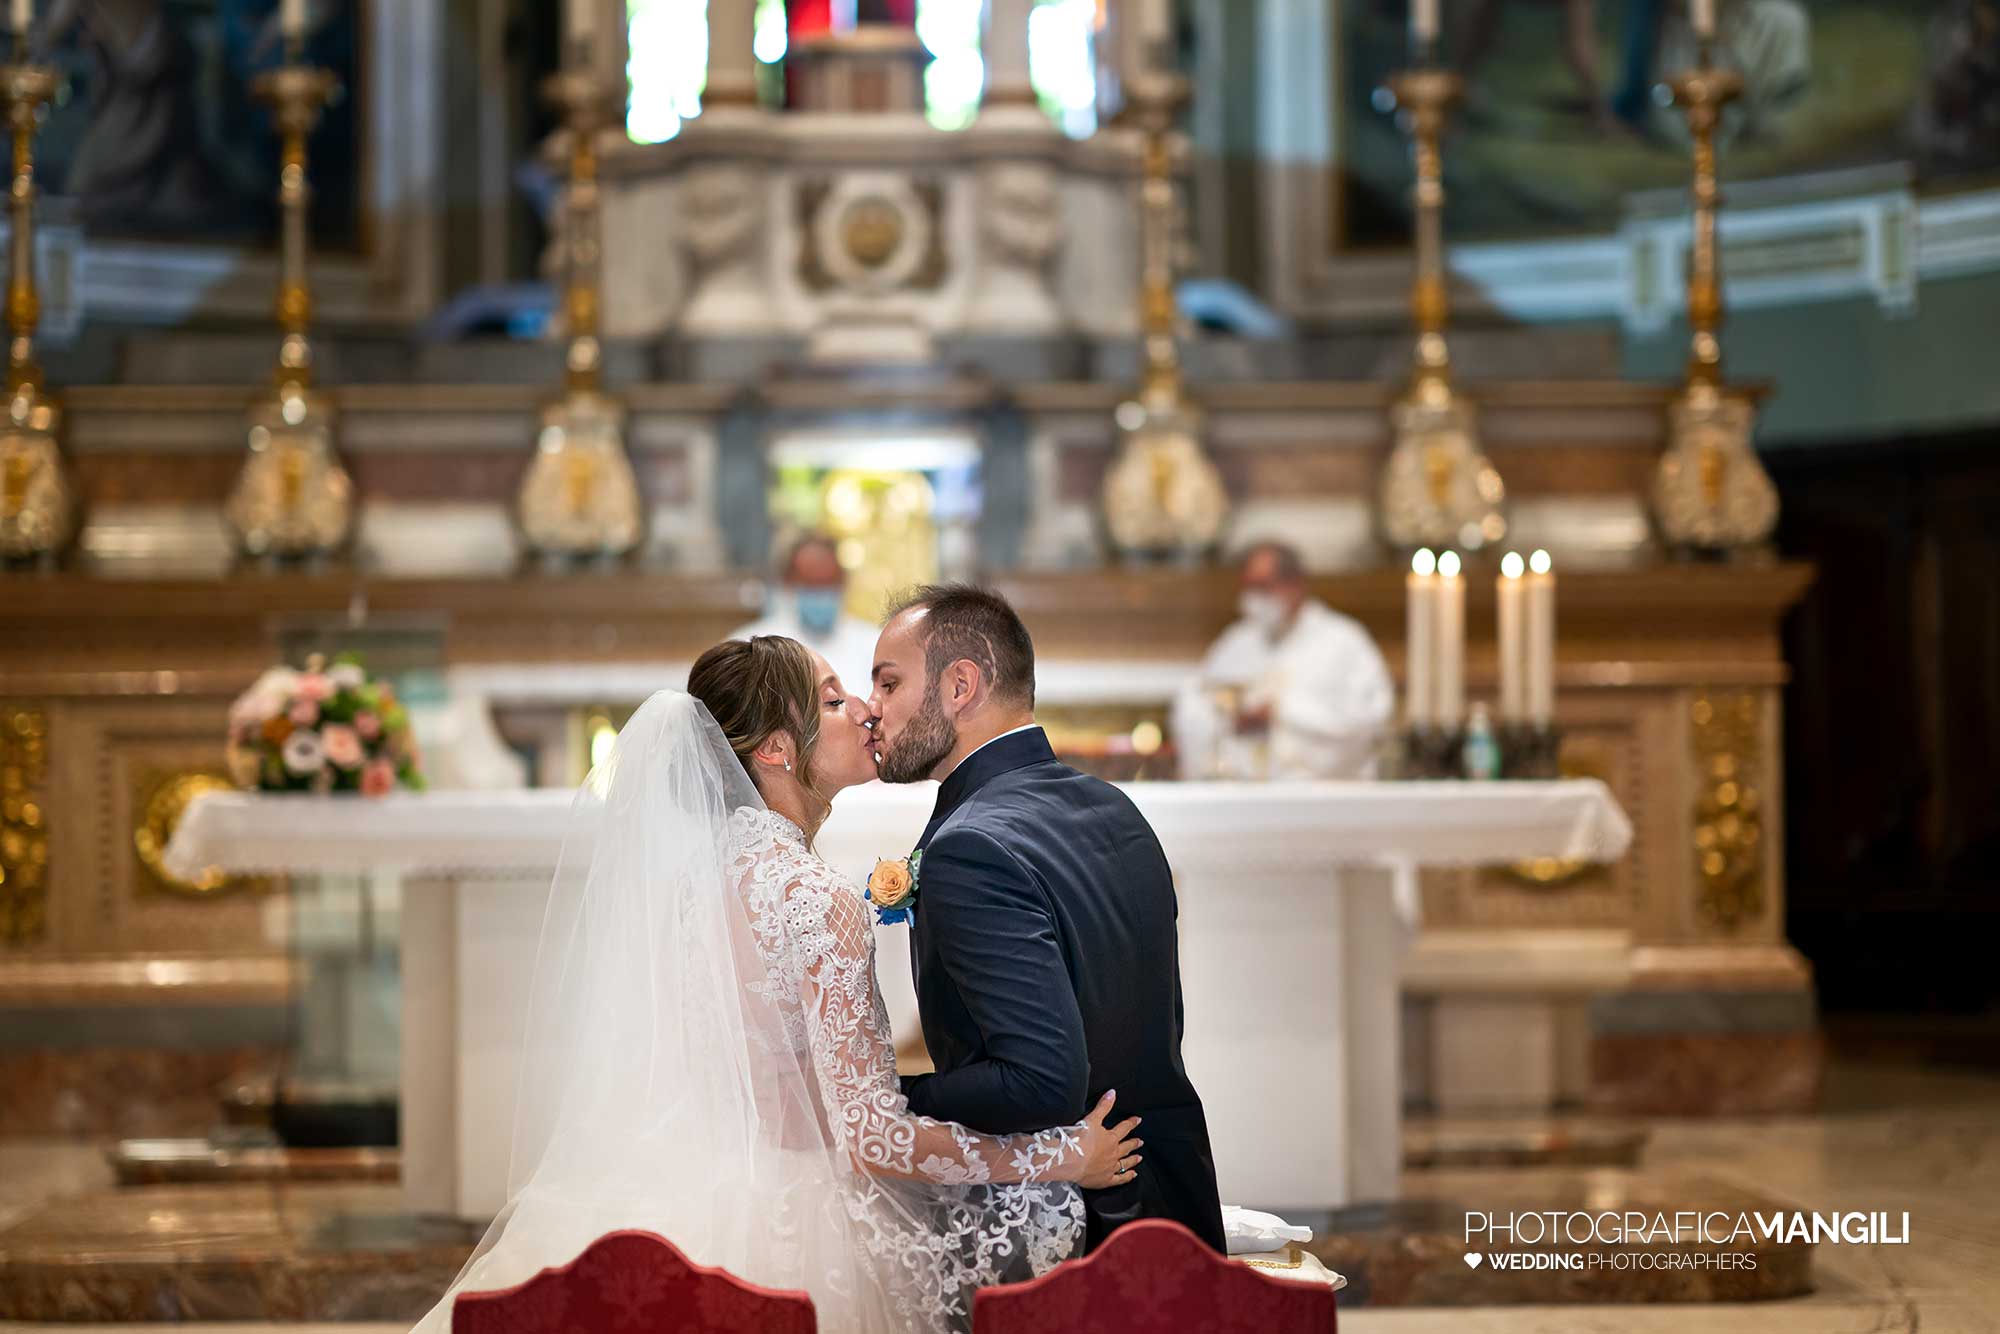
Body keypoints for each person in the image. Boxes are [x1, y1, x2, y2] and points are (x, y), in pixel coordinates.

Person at [409, 638, 1143, 1334]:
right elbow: (871, 1136)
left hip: (673, 1193)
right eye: (831, 701)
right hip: (800, 1220)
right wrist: (1061, 1155)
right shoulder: (816, 900)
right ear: (775, 750)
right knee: (1050, 1216)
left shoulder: (685, 887)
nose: (863, 708)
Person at [869, 585, 1227, 1254]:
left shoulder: (970, 845)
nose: (872, 710)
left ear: (960, 687)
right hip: (1173, 1198)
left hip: (1079, 1236)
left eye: (889, 684)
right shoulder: (1112, 806)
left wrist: (884, 1096)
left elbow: (1037, 1082)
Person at [1171, 541, 1394, 782]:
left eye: (1263, 587)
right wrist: (1230, 720)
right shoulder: (1235, 643)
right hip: (1245, 797)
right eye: (1248, 588)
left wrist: (1281, 714)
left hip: (1325, 796)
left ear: (1296, 584)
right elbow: (1195, 708)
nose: (1254, 599)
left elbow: (1369, 721)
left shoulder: (1344, 642)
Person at [731, 533, 882, 693]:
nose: (820, 594)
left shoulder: (874, 645)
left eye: (827, 583)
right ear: (787, 583)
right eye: (810, 584)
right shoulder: (749, 647)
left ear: (843, 581)